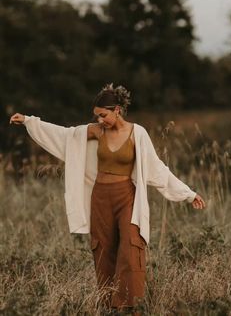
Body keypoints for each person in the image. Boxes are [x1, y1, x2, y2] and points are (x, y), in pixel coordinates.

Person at [10, 83, 206, 315]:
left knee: (131, 250)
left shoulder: (138, 133)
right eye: (96, 116)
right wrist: (30, 121)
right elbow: (65, 135)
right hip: (100, 198)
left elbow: (157, 168)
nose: (100, 120)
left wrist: (188, 193)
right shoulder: (97, 131)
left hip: (126, 198)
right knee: (103, 251)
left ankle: (131, 307)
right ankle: (108, 305)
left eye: (103, 115)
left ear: (117, 111)